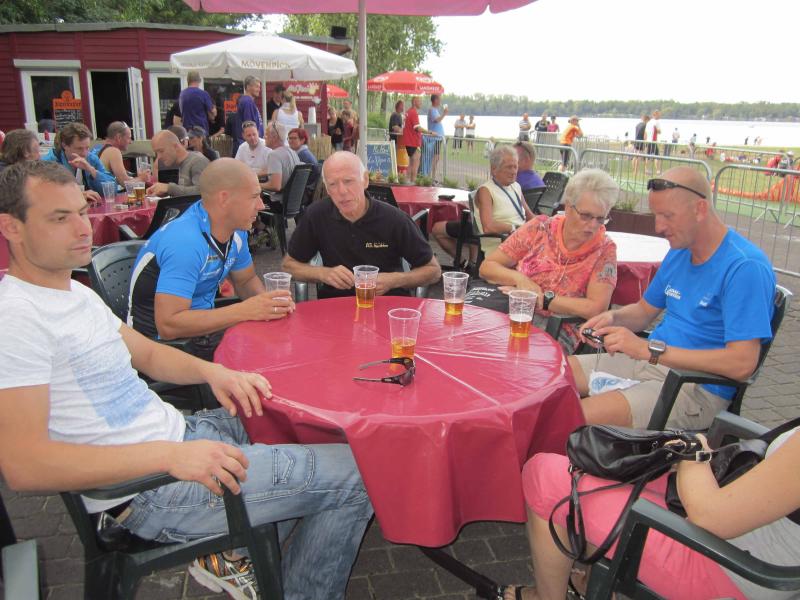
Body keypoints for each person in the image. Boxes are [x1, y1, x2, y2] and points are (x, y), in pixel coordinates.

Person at [0, 160, 373, 600]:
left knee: (305, 423)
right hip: (149, 490)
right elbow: (24, 466)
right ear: (11, 228)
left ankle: (242, 551)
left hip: (180, 432)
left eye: (82, 212)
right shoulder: (17, 319)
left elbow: (147, 354)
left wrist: (214, 372)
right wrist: (171, 457)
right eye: (60, 218)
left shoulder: (74, 293)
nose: (83, 228)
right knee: (359, 475)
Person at [569, 166, 775, 430]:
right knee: (552, 375)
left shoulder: (744, 268)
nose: (658, 227)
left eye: (667, 216)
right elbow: (643, 312)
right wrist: (612, 318)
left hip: (696, 388)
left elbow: (742, 364)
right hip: (651, 362)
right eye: (656, 215)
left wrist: (649, 350)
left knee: (571, 417)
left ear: (700, 209)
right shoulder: (680, 251)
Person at [505, 421, 800, 600]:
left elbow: (711, 517)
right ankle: (591, 584)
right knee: (604, 466)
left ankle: (545, 596)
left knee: (544, 475)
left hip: (729, 568)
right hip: (736, 527)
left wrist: (693, 450)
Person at [130, 158, 292, 357]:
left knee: (282, 347)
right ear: (224, 199)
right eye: (254, 197)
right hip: (159, 348)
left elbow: (246, 280)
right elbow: (168, 326)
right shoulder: (185, 242)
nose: (261, 205)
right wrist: (245, 311)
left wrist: (270, 306)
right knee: (263, 361)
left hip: (204, 331)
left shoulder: (236, 229)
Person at [476, 169, 618, 352]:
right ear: (568, 207)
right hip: (513, 312)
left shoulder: (604, 249)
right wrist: (520, 280)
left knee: (515, 353)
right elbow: (487, 267)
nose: (592, 226)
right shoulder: (540, 228)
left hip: (558, 326)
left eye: (600, 219)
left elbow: (596, 308)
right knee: (477, 342)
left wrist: (542, 299)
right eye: (586, 216)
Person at [282, 151, 441, 300]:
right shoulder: (316, 215)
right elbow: (288, 265)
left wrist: (395, 280)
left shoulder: (393, 219)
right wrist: (322, 274)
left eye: (348, 181)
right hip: (336, 306)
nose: (342, 191)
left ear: (365, 180)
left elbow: (433, 271)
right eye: (332, 184)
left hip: (385, 304)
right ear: (327, 189)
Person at [433, 145, 533, 264]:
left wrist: (547, 222)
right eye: (509, 167)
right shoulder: (486, 191)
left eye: (515, 166)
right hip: (503, 244)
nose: (513, 172)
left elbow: (530, 216)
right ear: (494, 169)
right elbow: (488, 227)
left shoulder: (515, 187)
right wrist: (514, 228)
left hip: (520, 240)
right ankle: (465, 263)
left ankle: (466, 263)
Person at [42, 122, 115, 203]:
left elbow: (112, 190)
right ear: (64, 145)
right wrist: (78, 194)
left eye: (87, 148)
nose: (84, 153)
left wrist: (92, 171)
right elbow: (43, 194)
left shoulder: (91, 158)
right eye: (79, 148)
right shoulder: (48, 163)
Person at [146, 130, 209, 198]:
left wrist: (169, 188)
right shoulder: (172, 162)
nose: (159, 157)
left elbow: (203, 191)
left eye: (161, 151)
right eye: (156, 153)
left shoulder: (198, 161)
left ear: (175, 146)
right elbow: (179, 190)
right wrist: (162, 191)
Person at [260, 122, 300, 210]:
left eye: (266, 134)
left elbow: (275, 186)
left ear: (274, 137)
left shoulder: (274, 155)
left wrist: (256, 184)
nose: (264, 137)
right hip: (294, 204)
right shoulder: (292, 152)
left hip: (279, 204)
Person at [91, 121, 138, 186]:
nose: (130, 142)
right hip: (105, 192)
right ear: (118, 137)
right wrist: (142, 178)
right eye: (129, 138)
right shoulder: (114, 151)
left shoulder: (98, 147)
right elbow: (125, 183)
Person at [401, 96, 430, 183]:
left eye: (421, 101)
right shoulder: (413, 113)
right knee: (415, 163)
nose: (421, 103)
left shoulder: (408, 112)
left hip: (408, 141)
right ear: (414, 102)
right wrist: (429, 132)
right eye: (419, 101)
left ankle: (407, 182)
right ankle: (413, 182)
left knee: (411, 163)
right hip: (413, 142)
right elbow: (417, 128)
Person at [234, 76, 263, 153]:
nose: (259, 89)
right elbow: (249, 126)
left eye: (259, 87)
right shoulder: (247, 102)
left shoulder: (247, 101)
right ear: (248, 87)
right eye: (256, 86)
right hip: (250, 145)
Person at [427, 94, 448, 182]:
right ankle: (430, 177)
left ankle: (432, 177)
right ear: (435, 100)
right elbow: (436, 120)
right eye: (439, 99)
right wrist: (444, 114)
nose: (440, 101)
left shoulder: (435, 110)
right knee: (434, 158)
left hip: (438, 138)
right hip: (434, 138)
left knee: (436, 157)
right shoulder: (432, 110)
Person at [645, 109, 662, 174]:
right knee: (657, 156)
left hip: (648, 141)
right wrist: (658, 131)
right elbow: (659, 131)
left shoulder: (649, 122)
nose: (660, 116)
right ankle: (658, 170)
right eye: (659, 114)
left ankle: (647, 169)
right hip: (653, 141)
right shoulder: (656, 122)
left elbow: (646, 133)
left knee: (648, 156)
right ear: (656, 115)